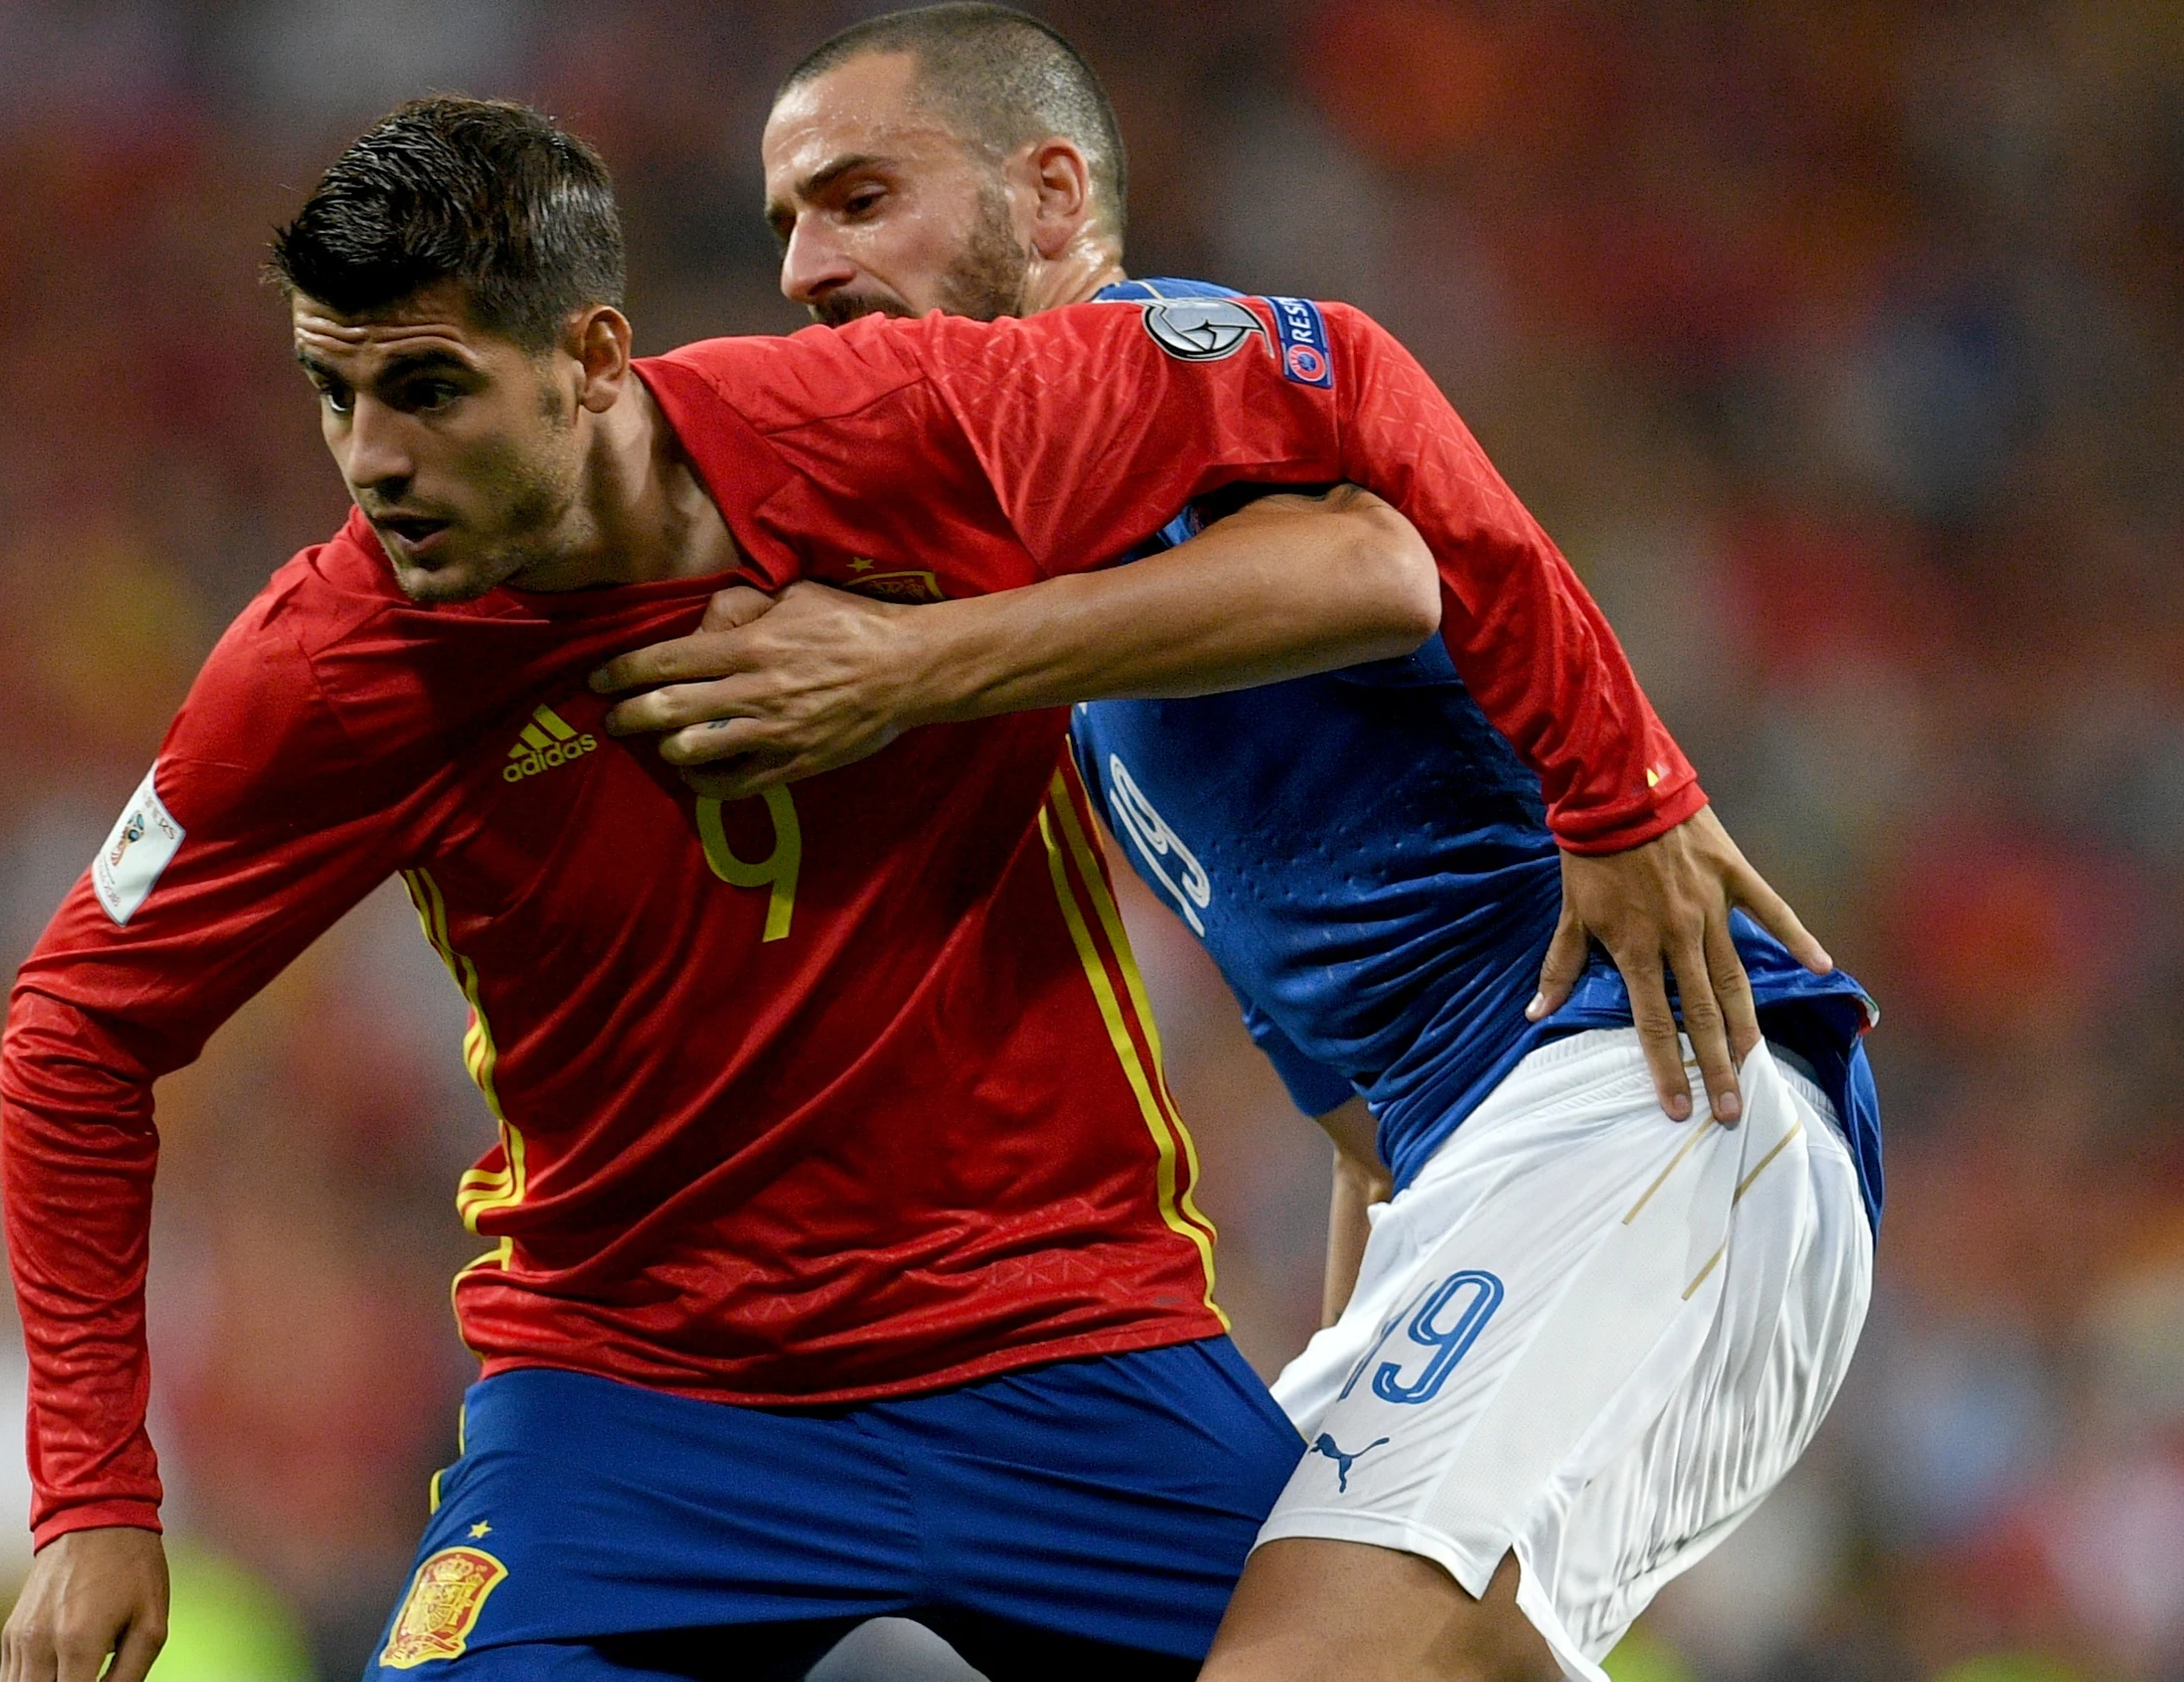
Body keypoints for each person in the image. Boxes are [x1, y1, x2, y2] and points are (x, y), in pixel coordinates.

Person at [0, 97, 1710, 1682]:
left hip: (1064, 1339)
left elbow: (1338, 386)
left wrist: (1619, 789)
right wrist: (91, 1494)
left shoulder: (901, 425)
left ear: (592, 360)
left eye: (426, 390)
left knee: (1456, 1666)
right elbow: (75, 1028)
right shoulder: (325, 671)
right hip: (639, 1397)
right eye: (330, 391)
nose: (370, 460)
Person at [591, 9, 1881, 1681]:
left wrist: (901, 669)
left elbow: (1372, 566)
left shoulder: (1126, 388)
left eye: (856, 200)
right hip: (1505, 1158)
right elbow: (1361, 1132)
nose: (804, 271)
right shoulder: (1082, 643)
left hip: (1645, 1088)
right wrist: (1348, 1353)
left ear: (1051, 202)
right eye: (784, 225)